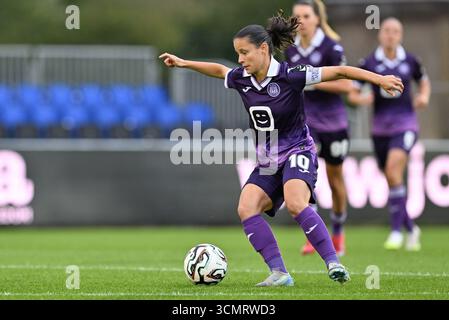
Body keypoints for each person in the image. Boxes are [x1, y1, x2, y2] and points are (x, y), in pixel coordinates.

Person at [160, 11, 403, 286]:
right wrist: (183, 63)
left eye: (244, 53)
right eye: (237, 54)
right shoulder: (242, 78)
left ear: (263, 49)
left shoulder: (292, 75)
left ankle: (333, 262)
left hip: (298, 150)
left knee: (296, 201)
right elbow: (220, 71)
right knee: (246, 207)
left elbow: (341, 71)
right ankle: (279, 273)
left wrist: (380, 79)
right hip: (268, 160)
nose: (240, 60)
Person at [349, 17, 431, 251]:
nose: (390, 35)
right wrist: (362, 98)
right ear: (380, 34)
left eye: (395, 31)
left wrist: (423, 96)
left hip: (405, 125)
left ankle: (396, 232)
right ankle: (411, 227)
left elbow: (423, 83)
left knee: (394, 170)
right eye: (386, 31)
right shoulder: (371, 62)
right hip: (380, 129)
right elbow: (353, 94)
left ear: (401, 35)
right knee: (391, 178)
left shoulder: (411, 61)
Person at [285, 0, 353, 256]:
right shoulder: (290, 50)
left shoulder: (331, 47)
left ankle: (338, 234)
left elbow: (347, 86)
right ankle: (313, 236)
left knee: (335, 180)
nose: (300, 21)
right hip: (305, 125)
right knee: (306, 179)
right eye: (296, 17)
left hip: (334, 123)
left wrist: (313, 81)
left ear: (316, 19)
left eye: (305, 15)